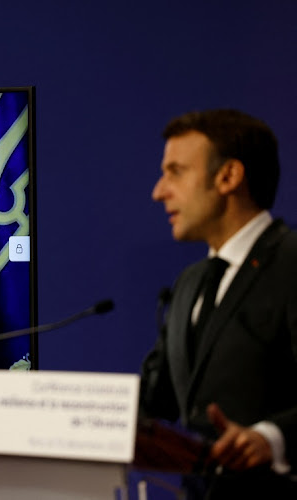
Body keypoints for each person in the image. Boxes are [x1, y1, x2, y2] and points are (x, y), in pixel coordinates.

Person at [140, 109, 297, 498]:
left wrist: (271, 437)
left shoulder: (292, 262)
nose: (159, 191)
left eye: (175, 171)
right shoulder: (190, 283)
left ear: (228, 177)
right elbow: (152, 402)